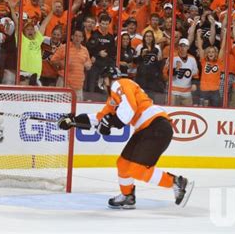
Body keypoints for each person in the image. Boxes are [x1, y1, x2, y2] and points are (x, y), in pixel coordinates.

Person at [57, 66, 194, 209]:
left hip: (155, 127)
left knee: (137, 169)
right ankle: (127, 196)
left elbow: (129, 109)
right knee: (123, 163)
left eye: (103, 79)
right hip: (147, 129)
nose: (103, 84)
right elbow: (100, 118)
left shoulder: (120, 83)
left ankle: (176, 182)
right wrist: (73, 121)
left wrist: (112, 122)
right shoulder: (114, 98)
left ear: (108, 78)